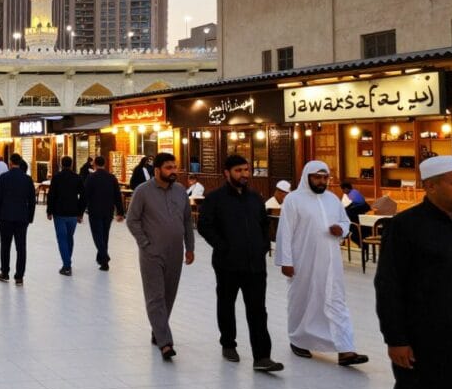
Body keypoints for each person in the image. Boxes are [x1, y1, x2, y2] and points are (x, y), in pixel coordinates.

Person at [375, 155, 452, 389]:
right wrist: (396, 339)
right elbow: (388, 285)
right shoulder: (405, 226)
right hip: (424, 339)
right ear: (431, 186)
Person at [275, 160, 368, 366]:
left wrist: (341, 230)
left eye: (325, 177)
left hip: (331, 262)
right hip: (303, 261)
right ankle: (298, 339)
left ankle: (345, 349)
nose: (321, 181)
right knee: (303, 300)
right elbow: (285, 231)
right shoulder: (293, 200)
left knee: (336, 301)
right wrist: (285, 261)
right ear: (307, 177)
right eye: (317, 177)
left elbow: (345, 222)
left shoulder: (333, 199)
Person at [197, 155, 284, 372]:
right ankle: (228, 343)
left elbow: (264, 225)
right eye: (239, 170)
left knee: (257, 309)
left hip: (255, 265)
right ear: (227, 173)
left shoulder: (255, 198)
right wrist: (223, 246)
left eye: (246, 170)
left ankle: (262, 356)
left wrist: (263, 247)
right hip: (227, 264)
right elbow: (204, 226)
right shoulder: (215, 198)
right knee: (226, 304)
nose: (244, 174)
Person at [126, 152, 195, 360]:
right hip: (152, 254)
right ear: (157, 170)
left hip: (175, 252)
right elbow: (132, 220)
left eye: (174, 167)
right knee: (155, 296)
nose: (173, 171)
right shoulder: (143, 191)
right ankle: (165, 343)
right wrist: (145, 244)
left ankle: (158, 330)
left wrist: (189, 247)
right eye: (168, 168)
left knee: (168, 295)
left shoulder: (181, 191)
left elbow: (186, 222)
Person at [0, 153, 36, 286]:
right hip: (22, 217)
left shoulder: (4, 177)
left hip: (5, 217)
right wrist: (30, 217)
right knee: (21, 247)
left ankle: (5, 272)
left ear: (10, 162)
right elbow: (32, 201)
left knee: (5, 245)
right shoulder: (27, 179)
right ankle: (19, 276)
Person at [46, 156, 85, 276]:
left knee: (62, 238)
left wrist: (49, 211)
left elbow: (51, 195)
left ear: (61, 164)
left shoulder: (57, 177)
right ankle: (67, 261)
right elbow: (83, 196)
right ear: (72, 164)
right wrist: (80, 212)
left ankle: (67, 265)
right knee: (69, 237)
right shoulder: (77, 178)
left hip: (59, 213)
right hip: (73, 212)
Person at [84, 155, 124, 271]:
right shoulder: (112, 177)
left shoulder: (91, 178)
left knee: (97, 235)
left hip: (94, 210)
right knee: (104, 235)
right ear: (105, 164)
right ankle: (102, 261)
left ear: (94, 164)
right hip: (108, 211)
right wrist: (120, 212)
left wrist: (80, 211)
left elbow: (85, 195)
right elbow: (117, 195)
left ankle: (104, 257)